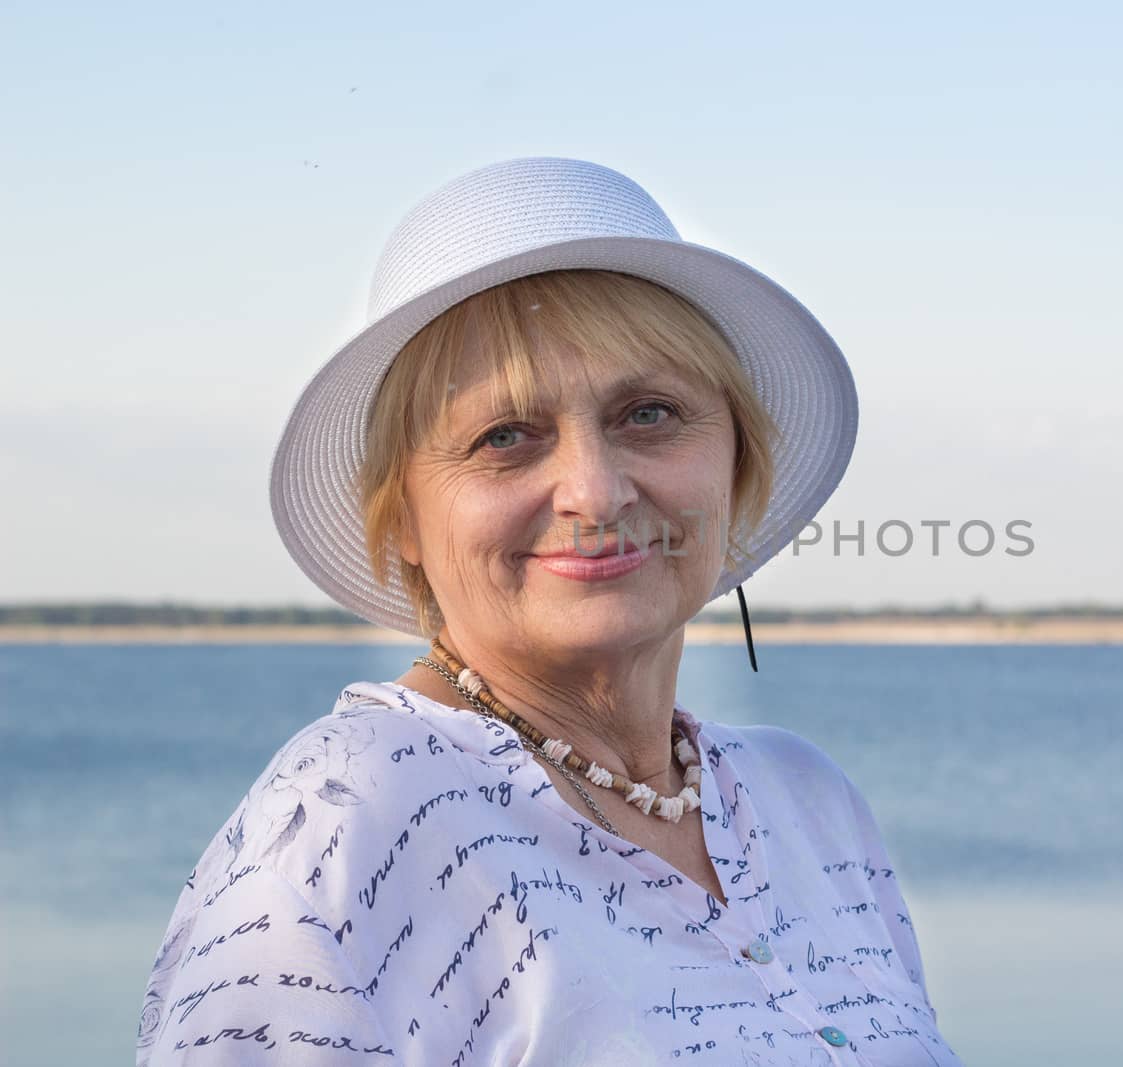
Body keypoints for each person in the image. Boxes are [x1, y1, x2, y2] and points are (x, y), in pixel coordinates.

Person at [136, 156, 963, 1066]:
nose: (595, 491)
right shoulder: (342, 822)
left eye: (649, 412)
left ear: (736, 462)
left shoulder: (807, 801)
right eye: (504, 437)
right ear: (403, 514)